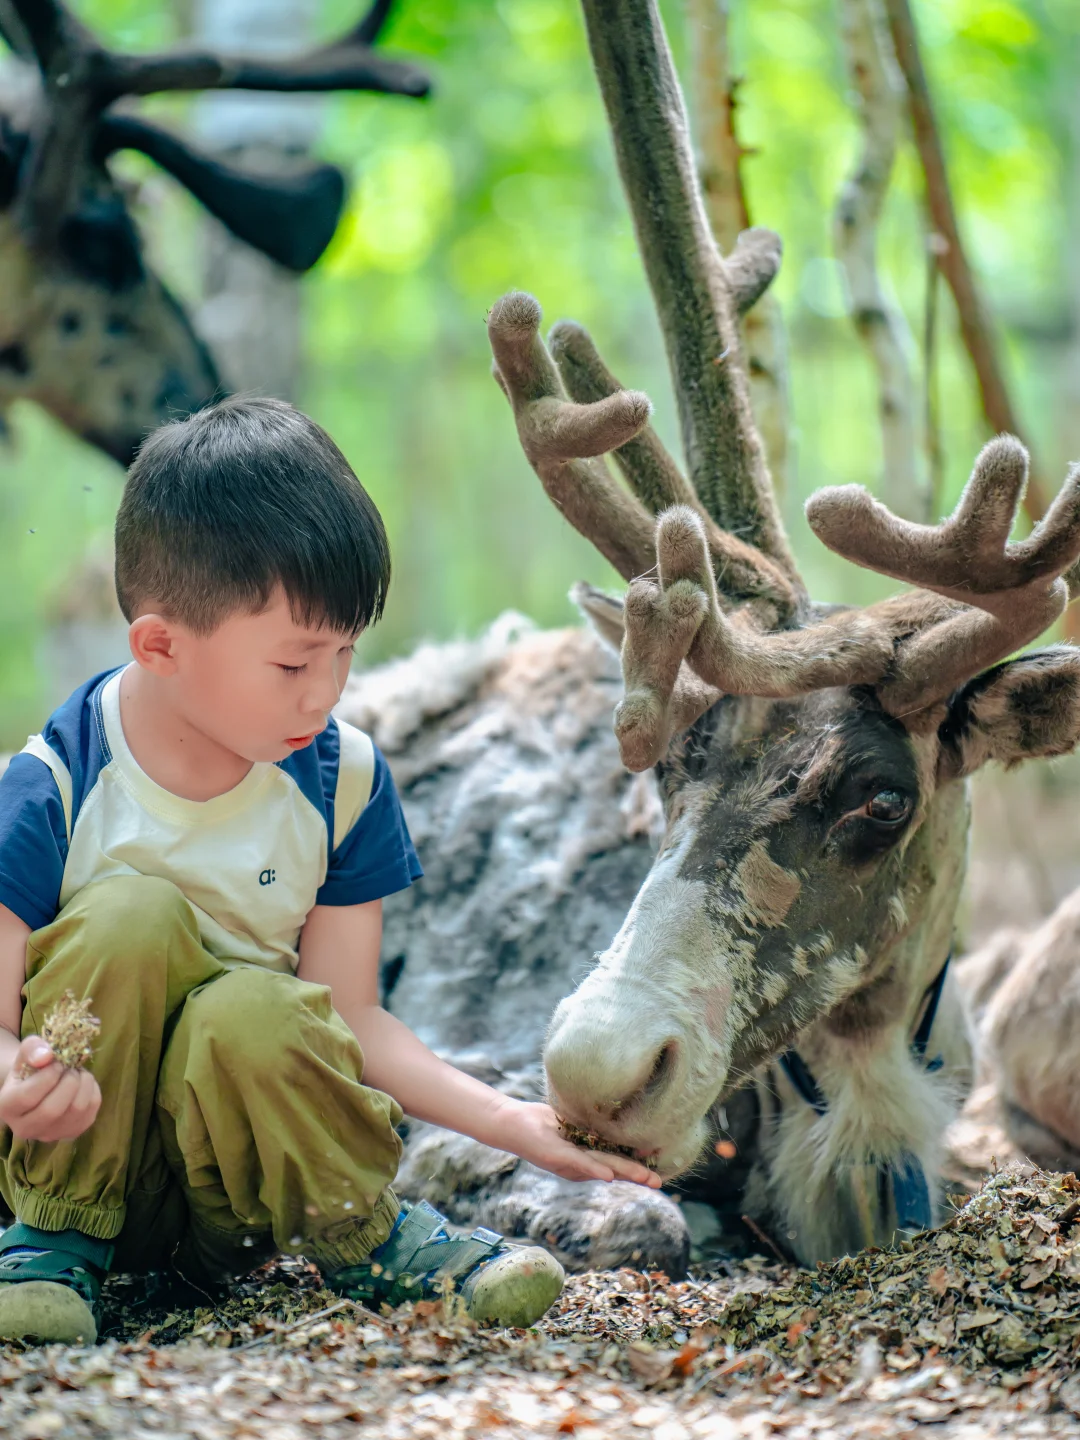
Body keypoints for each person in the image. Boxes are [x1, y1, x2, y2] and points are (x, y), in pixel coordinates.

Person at [0, 397, 659, 1345]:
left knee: (254, 1007)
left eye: (346, 651)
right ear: (161, 646)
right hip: (60, 1160)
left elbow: (349, 1018)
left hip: (233, 1189)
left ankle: (372, 1234)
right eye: (295, 662)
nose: (328, 690)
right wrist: (14, 1086)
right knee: (129, 917)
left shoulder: (341, 780)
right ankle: (48, 1251)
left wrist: (510, 1123)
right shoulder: (55, 784)